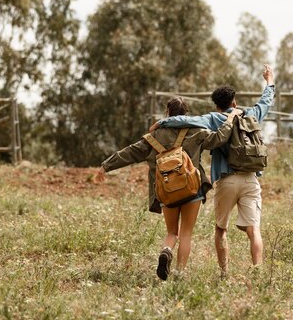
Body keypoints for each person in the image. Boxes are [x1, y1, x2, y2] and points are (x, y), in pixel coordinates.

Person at [97, 97, 241, 280]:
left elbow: (130, 152)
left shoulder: (154, 136)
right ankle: (179, 273)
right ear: (186, 113)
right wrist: (230, 119)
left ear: (167, 113)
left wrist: (106, 166)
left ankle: (166, 250)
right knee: (186, 233)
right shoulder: (196, 131)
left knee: (172, 232)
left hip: (166, 191)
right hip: (192, 190)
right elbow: (219, 138)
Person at [151, 65, 275, 276]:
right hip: (251, 179)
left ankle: (224, 272)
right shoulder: (252, 114)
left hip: (226, 180)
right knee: (254, 231)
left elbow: (187, 120)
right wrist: (269, 80)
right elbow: (266, 100)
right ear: (234, 101)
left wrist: (163, 121)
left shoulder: (214, 118)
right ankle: (258, 272)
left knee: (221, 230)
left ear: (217, 105)